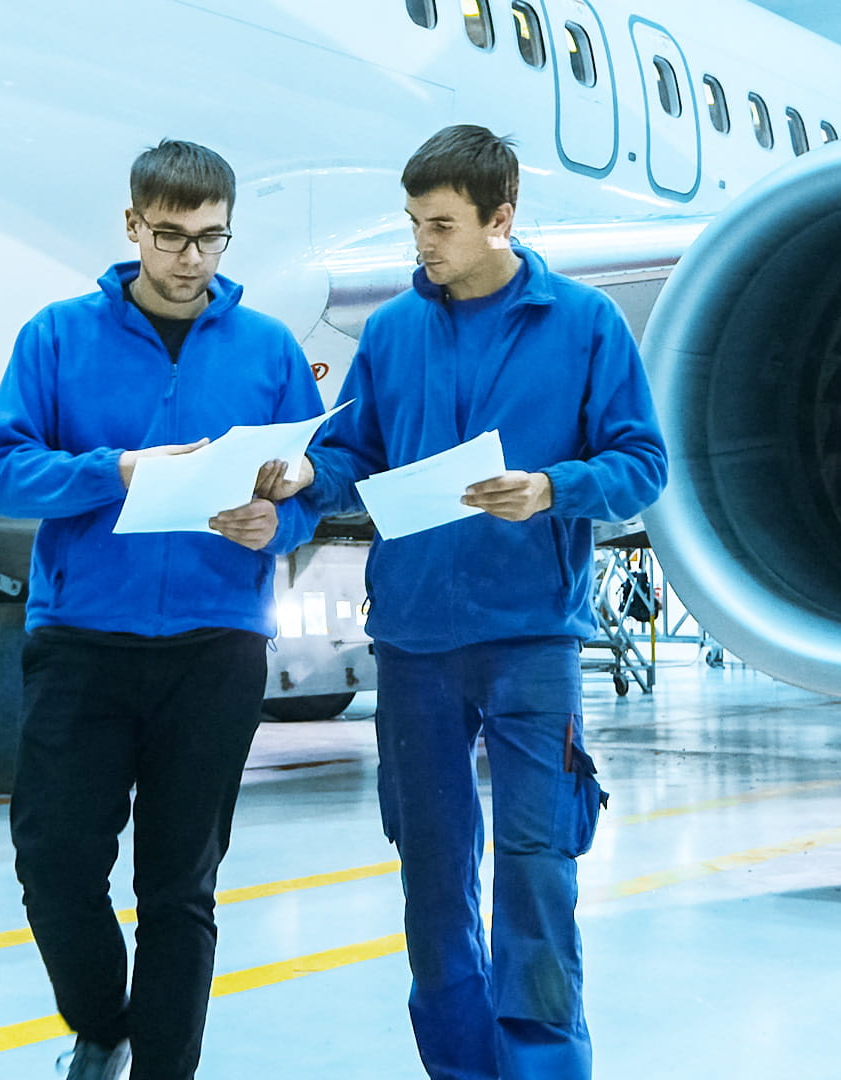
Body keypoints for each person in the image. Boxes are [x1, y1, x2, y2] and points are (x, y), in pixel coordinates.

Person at [277, 124, 667, 1080]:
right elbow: (353, 460)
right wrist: (299, 476)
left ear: (503, 219)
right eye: (415, 223)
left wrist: (554, 489)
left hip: (531, 638)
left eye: (443, 225)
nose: (424, 244)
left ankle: (542, 1068)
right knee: (432, 873)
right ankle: (456, 1065)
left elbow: (641, 464)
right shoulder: (395, 331)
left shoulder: (584, 324)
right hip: (411, 641)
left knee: (538, 869)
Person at [0, 139, 323, 1080]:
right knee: (53, 864)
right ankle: (101, 1024)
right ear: (133, 227)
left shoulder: (269, 350)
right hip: (81, 639)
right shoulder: (56, 337)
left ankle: (166, 1067)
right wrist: (117, 470)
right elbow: (1, 471)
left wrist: (276, 522)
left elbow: (310, 489)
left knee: (180, 888)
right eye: (170, 237)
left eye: (211, 239)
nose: (192, 260)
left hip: (215, 648)